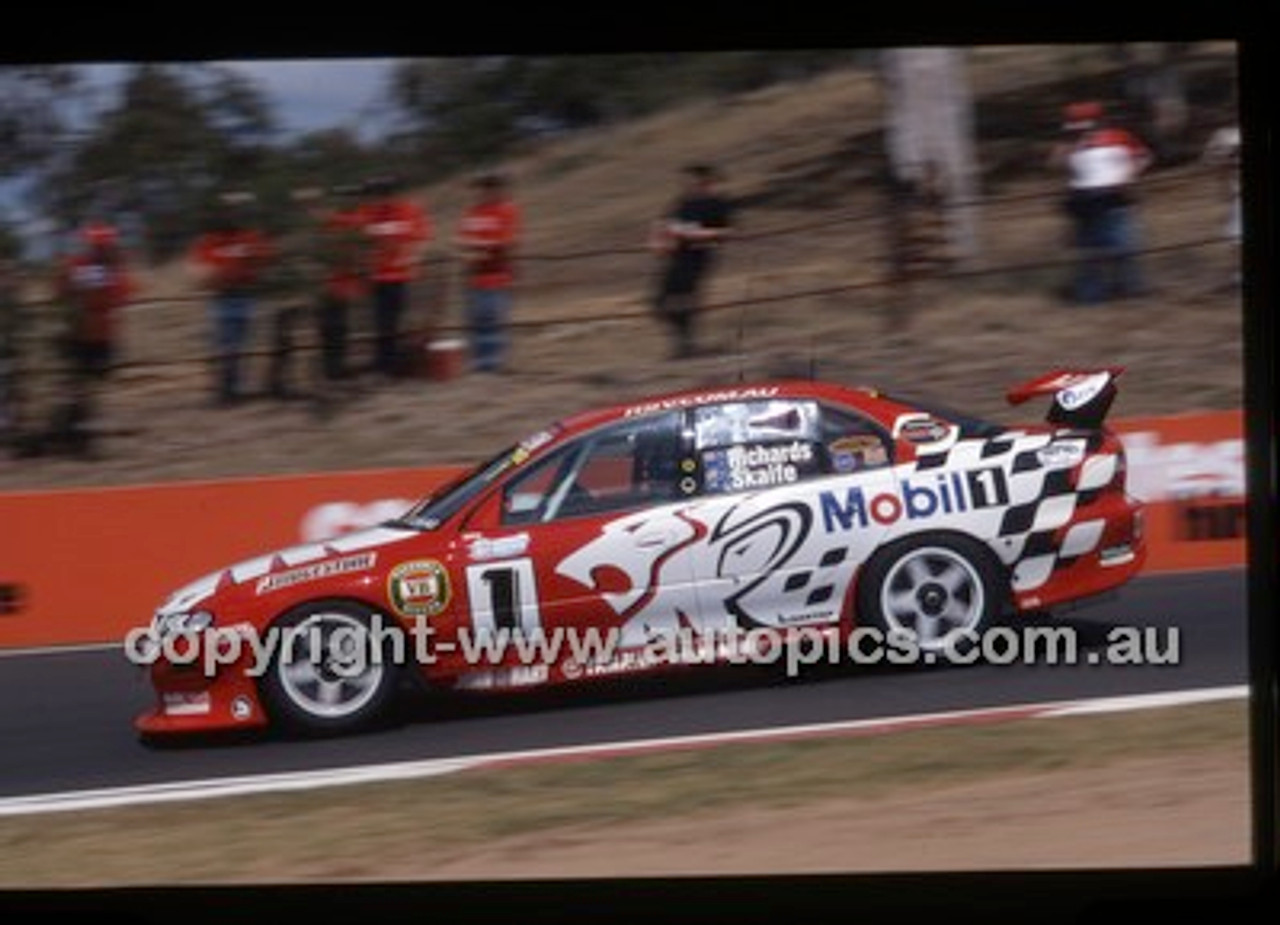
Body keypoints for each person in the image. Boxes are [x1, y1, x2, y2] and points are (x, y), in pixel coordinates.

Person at [1049, 101, 1153, 304]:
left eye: (1081, 125)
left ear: (1095, 122)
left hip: (1114, 199)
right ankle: (1091, 295)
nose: (1078, 131)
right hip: (1082, 202)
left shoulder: (1118, 137)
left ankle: (1130, 291)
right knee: (1088, 251)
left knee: (1123, 247)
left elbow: (1144, 156)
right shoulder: (1071, 145)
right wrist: (1065, 150)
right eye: (1074, 126)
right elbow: (1055, 166)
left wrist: (1129, 176)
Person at [52, 221, 135, 455]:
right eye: (97, 245)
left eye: (104, 245)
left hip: (103, 333)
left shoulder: (115, 268)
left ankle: (80, 429)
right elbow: (59, 290)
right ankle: (77, 433)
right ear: (88, 245)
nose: (100, 249)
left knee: (94, 386)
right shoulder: (76, 265)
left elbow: (123, 295)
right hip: (80, 333)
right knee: (81, 386)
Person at [190, 193, 274, 406]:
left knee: (240, 345)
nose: (234, 215)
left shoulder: (251, 237)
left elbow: (266, 260)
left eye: (238, 210)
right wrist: (211, 276)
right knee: (223, 345)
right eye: (230, 210)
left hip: (245, 296)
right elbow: (199, 271)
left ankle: (234, 389)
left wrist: (255, 265)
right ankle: (223, 389)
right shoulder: (210, 241)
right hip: (221, 299)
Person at [648, 163, 733, 359]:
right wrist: (656, 240)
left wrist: (694, 234)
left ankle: (686, 346)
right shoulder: (682, 202)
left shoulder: (717, 203)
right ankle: (685, 342)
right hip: (676, 258)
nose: (686, 184)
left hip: (698, 257)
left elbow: (725, 232)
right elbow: (662, 223)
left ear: (705, 181)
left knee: (684, 299)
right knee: (658, 301)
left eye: (691, 180)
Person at [360, 176, 431, 379]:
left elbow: (422, 237)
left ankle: (407, 366)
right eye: (379, 193)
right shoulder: (370, 214)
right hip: (379, 277)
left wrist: (414, 257)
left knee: (404, 322)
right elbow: (361, 240)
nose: (382, 197)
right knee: (382, 323)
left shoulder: (409, 211)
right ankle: (385, 366)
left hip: (403, 276)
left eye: (386, 193)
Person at [454, 171, 521, 373]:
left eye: (491, 187)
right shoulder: (471, 213)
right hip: (473, 277)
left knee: (493, 320)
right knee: (475, 321)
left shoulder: (507, 211)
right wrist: (471, 251)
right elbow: (460, 240)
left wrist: (479, 250)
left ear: (499, 189)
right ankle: (478, 364)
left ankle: (494, 365)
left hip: (497, 276)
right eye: (483, 187)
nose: (486, 191)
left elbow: (506, 243)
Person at [1201, 121, 1241, 290]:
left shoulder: (1224, 136)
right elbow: (1212, 162)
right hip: (1236, 193)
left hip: (1235, 193)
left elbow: (1212, 162)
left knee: (1236, 236)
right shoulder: (1224, 135)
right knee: (1236, 237)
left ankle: (1237, 275)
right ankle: (1238, 274)